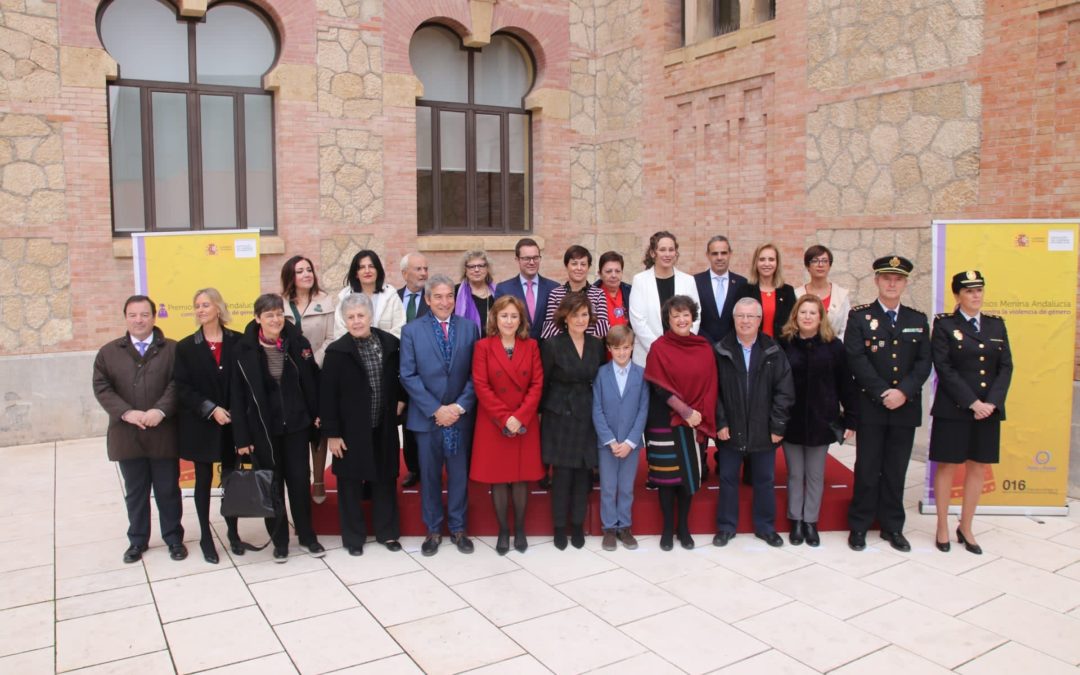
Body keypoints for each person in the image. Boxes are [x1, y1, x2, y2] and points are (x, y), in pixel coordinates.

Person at [844, 255, 932, 553]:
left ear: (905, 283)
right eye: (886, 278)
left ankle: (892, 526)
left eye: (898, 279)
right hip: (872, 405)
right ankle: (859, 525)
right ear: (877, 281)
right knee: (867, 468)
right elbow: (856, 359)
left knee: (896, 469)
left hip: (904, 407)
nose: (892, 283)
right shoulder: (859, 317)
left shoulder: (917, 320)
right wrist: (884, 392)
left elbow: (924, 362)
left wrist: (903, 392)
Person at [231, 294, 325, 562]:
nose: (275, 319)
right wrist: (242, 437)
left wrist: (316, 414)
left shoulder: (298, 343)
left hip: (296, 426)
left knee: (298, 483)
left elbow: (312, 381)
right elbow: (236, 397)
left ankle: (307, 537)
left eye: (279, 314)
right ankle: (279, 541)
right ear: (257, 318)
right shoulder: (243, 350)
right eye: (268, 315)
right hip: (263, 430)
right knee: (271, 486)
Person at [93, 295, 186, 564]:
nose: (139, 320)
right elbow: (102, 387)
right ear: (125, 318)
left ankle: (174, 539)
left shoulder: (172, 349)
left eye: (144, 314)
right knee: (135, 491)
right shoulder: (109, 352)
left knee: (168, 489)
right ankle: (137, 540)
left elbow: (178, 383)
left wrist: (160, 410)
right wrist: (127, 412)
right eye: (133, 315)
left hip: (163, 432)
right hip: (127, 434)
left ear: (154, 317)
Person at [929, 271, 1012, 555]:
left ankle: (966, 525)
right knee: (948, 466)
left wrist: (991, 403)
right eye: (969, 291)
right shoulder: (944, 325)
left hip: (988, 410)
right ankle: (942, 525)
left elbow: (1005, 367)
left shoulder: (996, 325)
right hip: (954, 408)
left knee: (978, 466)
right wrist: (972, 403)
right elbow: (944, 367)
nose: (975, 295)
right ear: (957, 296)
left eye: (979, 290)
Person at [400, 274, 479, 556]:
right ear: (429, 300)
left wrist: (457, 408)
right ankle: (433, 530)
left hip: (459, 416)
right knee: (430, 476)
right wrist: (436, 409)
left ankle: (458, 529)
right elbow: (408, 375)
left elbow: (476, 374)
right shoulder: (411, 331)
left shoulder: (470, 329)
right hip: (427, 418)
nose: (445, 302)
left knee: (458, 475)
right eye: (438, 297)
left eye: (449, 296)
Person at [321, 293, 404, 556]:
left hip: (383, 425)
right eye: (350, 317)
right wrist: (332, 434)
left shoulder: (390, 344)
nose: (356, 321)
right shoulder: (336, 352)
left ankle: (387, 533)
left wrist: (401, 400)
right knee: (350, 484)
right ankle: (353, 538)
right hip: (350, 430)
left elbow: (400, 378)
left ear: (370, 316)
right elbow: (327, 397)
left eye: (361, 316)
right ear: (344, 321)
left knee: (385, 480)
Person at [713, 297, 795, 548]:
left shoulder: (773, 350)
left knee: (764, 480)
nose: (746, 321)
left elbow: (785, 391)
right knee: (727, 479)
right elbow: (712, 391)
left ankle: (766, 527)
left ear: (760, 320)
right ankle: (726, 527)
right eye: (741, 316)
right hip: (730, 429)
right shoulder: (720, 350)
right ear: (734, 319)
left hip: (764, 431)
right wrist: (720, 422)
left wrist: (777, 426)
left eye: (751, 316)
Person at [174, 288, 246, 564]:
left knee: (232, 480)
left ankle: (233, 532)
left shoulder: (238, 342)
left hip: (232, 425)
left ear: (218, 308)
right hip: (201, 425)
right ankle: (206, 536)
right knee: (203, 481)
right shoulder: (186, 347)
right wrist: (211, 409)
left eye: (206, 304)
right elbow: (182, 387)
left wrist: (234, 414)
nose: (201, 310)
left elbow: (244, 383)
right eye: (197, 306)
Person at [778, 294, 858, 547]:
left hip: (822, 420)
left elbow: (846, 384)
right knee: (795, 474)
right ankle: (795, 520)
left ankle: (810, 521)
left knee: (814, 474)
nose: (808, 317)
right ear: (795, 316)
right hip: (791, 420)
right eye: (803, 312)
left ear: (821, 317)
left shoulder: (834, 346)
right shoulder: (784, 344)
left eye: (813, 313)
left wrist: (851, 420)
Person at [470, 295, 544, 554]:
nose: (509, 321)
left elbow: (536, 384)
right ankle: (503, 530)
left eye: (514, 316)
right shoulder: (483, 347)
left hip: (524, 420)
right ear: (495, 318)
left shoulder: (532, 345)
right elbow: (481, 385)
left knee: (521, 478)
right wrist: (505, 417)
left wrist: (520, 417)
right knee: (499, 479)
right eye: (504, 316)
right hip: (494, 422)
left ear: (521, 319)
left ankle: (520, 529)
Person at [643, 296, 718, 551]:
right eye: (676, 315)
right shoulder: (659, 347)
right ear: (668, 319)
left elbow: (711, 384)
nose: (681, 319)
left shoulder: (704, 347)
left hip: (695, 421)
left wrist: (696, 416)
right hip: (664, 420)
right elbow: (657, 385)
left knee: (687, 477)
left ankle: (683, 528)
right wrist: (685, 411)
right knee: (667, 479)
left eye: (685, 314)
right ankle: (666, 529)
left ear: (693, 317)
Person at [541, 292, 606, 549]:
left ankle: (577, 525)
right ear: (564, 317)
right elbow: (544, 382)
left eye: (584, 314)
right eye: (575, 314)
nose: (580, 319)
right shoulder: (552, 344)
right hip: (560, 414)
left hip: (587, 411)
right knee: (563, 474)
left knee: (583, 473)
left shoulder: (596, 344)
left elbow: (599, 378)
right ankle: (559, 528)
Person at [280, 255, 336, 504]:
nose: (306, 274)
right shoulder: (279, 304)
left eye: (309, 270)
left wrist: (313, 360)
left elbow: (331, 337)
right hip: (289, 376)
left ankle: (319, 479)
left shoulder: (325, 301)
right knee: (296, 424)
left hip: (318, 371)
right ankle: (298, 478)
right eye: (300, 271)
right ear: (290, 276)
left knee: (318, 424)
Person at [592, 325, 648, 551]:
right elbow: (597, 409)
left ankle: (624, 526)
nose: (622, 353)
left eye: (626, 348)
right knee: (608, 486)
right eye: (617, 348)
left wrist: (630, 441)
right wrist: (610, 440)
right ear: (609, 349)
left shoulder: (642, 374)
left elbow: (643, 410)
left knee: (626, 487)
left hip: (630, 444)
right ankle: (609, 528)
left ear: (633, 347)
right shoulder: (601, 374)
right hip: (608, 444)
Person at [628, 231, 700, 367]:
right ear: (653, 253)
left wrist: (682, 345)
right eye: (662, 250)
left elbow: (695, 317)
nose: (667, 254)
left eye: (671, 250)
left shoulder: (688, 280)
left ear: (675, 253)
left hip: (682, 354)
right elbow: (638, 321)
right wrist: (661, 350)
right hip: (648, 356)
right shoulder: (640, 280)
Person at [397, 253, 429, 488]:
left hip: (426, 372)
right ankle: (413, 469)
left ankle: (429, 467)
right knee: (407, 424)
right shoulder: (393, 298)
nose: (423, 274)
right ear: (404, 273)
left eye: (425, 269)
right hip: (399, 370)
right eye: (418, 269)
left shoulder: (433, 299)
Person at [494, 237, 558, 341]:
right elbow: (500, 324)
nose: (532, 262)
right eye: (527, 258)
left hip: (547, 351)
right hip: (517, 350)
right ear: (517, 259)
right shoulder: (504, 289)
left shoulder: (553, 288)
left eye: (535, 258)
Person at [541, 245, 610, 339]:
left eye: (583, 264)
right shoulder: (555, 294)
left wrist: (585, 348)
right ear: (566, 266)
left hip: (591, 349)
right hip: (562, 350)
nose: (579, 268)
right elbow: (552, 327)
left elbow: (601, 328)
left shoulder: (598, 294)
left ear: (588, 267)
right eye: (574, 264)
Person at [334, 250, 405, 339]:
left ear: (377, 271)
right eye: (362, 267)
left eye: (371, 266)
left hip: (387, 350)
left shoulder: (391, 296)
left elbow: (399, 328)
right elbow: (340, 331)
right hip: (352, 351)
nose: (367, 271)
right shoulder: (345, 297)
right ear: (356, 273)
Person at [694, 235, 748, 344]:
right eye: (714, 253)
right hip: (703, 345)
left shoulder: (742, 283)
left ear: (730, 254)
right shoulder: (695, 282)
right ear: (707, 255)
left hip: (733, 347)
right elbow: (693, 316)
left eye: (723, 253)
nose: (719, 257)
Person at [794, 244, 851, 339]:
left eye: (824, 261)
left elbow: (846, 328)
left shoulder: (841, 295)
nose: (820, 265)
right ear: (807, 266)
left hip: (834, 349)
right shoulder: (797, 294)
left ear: (830, 265)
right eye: (815, 261)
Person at [745, 242, 797, 339]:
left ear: (777, 263)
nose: (767, 264)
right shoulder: (745, 290)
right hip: (752, 349)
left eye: (771, 259)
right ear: (755, 263)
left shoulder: (787, 291)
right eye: (762, 259)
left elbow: (794, 323)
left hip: (781, 349)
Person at [456, 249, 497, 332]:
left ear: (487, 268)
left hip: (493, 342)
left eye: (481, 266)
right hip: (465, 343)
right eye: (471, 266)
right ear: (465, 270)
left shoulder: (498, 292)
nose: (477, 270)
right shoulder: (455, 292)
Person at [594, 250, 632, 330]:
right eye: (608, 271)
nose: (614, 275)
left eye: (617, 271)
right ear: (600, 274)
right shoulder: (591, 295)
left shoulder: (631, 292)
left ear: (622, 273)